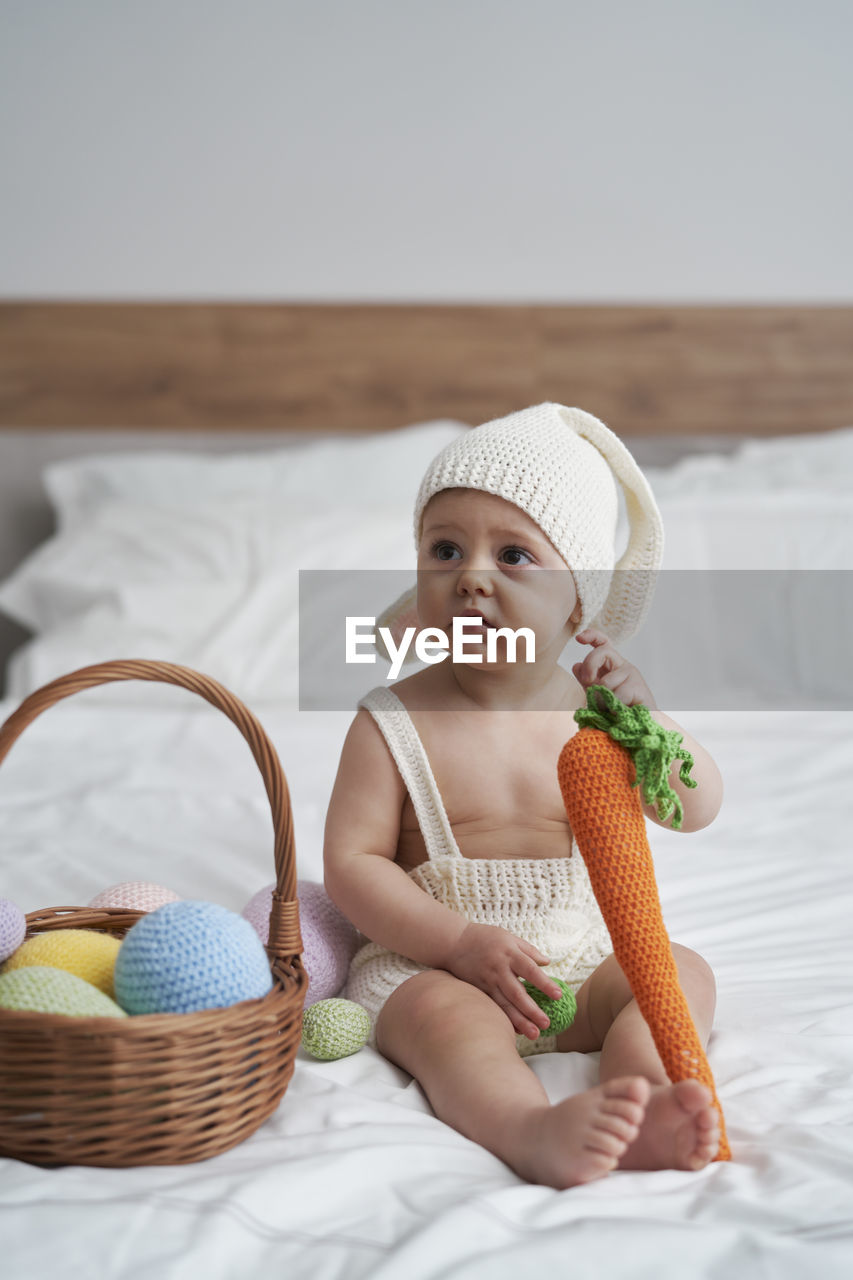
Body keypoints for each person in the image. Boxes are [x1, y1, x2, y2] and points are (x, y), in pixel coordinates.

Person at [323, 403, 723, 1189]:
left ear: (578, 600)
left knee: (676, 972)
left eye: (513, 555)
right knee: (442, 1022)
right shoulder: (391, 720)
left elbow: (695, 806)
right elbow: (351, 863)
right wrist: (456, 945)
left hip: (575, 958)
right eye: (444, 549)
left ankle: (638, 1098)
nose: (471, 574)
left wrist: (646, 720)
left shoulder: (597, 713)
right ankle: (527, 1129)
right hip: (433, 960)